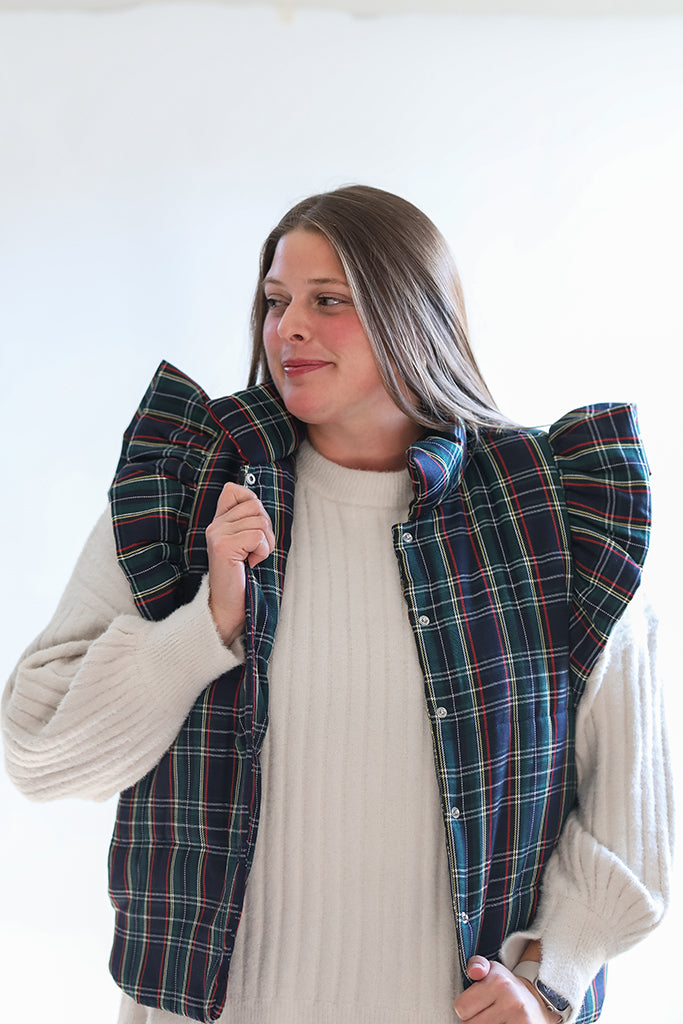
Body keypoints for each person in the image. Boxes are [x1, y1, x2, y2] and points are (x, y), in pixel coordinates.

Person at [2, 185, 672, 1024]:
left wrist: (547, 984)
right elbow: (38, 753)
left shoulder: (555, 512)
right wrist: (207, 627)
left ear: (412, 314)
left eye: (328, 301)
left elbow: (629, 820)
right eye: (276, 302)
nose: (287, 328)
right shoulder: (188, 492)